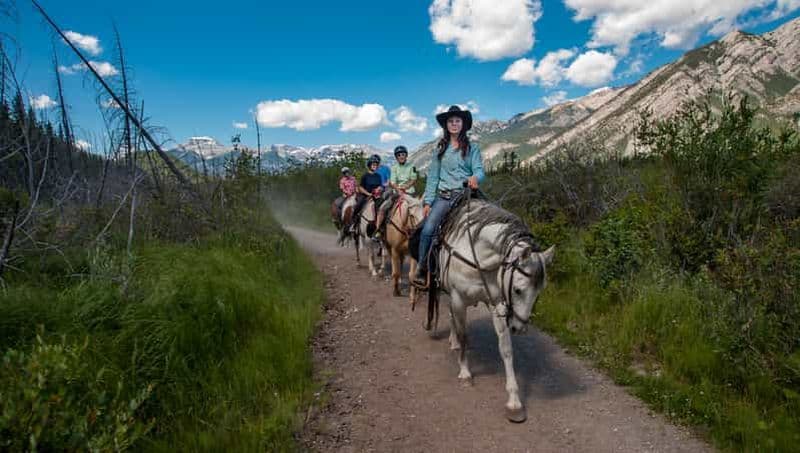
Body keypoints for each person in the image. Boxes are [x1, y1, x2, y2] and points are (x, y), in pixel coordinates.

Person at [412, 105, 485, 288]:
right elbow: (433, 179)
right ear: (446, 125)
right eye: (451, 121)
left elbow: (479, 170)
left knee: (490, 220)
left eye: (457, 121)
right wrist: (428, 201)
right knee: (428, 229)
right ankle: (422, 268)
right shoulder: (440, 151)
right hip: (444, 197)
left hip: (466, 195)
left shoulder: (472, 148)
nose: (454, 124)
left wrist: (475, 177)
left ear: (463, 124)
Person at [375, 145, 418, 236]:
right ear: (396, 157)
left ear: (406, 155)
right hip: (397, 193)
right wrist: (398, 190)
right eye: (399, 155)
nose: (401, 156)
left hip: (410, 193)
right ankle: (379, 230)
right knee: (383, 208)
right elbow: (392, 182)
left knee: (420, 209)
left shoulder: (412, 166)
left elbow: (413, 179)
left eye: (403, 154)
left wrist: (405, 187)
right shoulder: (394, 168)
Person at [351, 155, 384, 233]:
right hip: (366, 195)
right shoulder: (365, 176)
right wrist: (368, 193)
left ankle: (381, 225)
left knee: (383, 206)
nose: (375, 166)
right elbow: (360, 188)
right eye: (373, 164)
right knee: (358, 205)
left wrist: (379, 189)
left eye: (376, 165)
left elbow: (380, 186)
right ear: (369, 165)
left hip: (376, 196)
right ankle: (353, 223)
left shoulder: (378, 176)